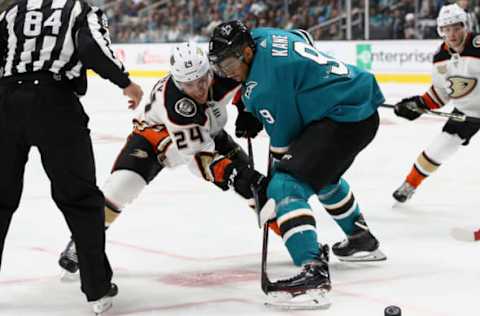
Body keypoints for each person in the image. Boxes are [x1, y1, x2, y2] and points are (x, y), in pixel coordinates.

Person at [208, 20, 386, 306]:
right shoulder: (263, 36)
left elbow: (284, 145)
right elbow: (303, 37)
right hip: (354, 99)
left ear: (247, 53)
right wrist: (249, 104)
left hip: (344, 119)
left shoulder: (266, 87)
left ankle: (313, 272)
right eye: (220, 65)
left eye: (230, 63)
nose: (226, 72)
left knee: (286, 184)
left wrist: (270, 193)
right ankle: (361, 240)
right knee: (320, 175)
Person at [57, 42, 266, 276]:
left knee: (256, 188)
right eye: (189, 84)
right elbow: (199, 159)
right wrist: (232, 174)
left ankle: (293, 232)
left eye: (201, 81)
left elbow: (245, 81)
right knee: (120, 188)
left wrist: (246, 109)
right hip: (153, 138)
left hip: (205, 132)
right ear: (178, 82)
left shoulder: (221, 73)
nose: (198, 90)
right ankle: (82, 240)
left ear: (210, 71)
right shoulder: (176, 104)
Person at [0, 0, 143, 314]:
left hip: (6, 101)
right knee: (80, 199)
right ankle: (97, 290)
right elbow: (92, 48)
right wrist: (126, 83)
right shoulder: (81, 10)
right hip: (55, 103)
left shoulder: (11, 12)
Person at [392, 3, 480, 203]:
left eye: (456, 28)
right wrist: (418, 105)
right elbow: (441, 94)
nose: (452, 34)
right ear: (441, 31)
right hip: (465, 112)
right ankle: (410, 184)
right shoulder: (440, 57)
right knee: (439, 148)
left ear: (465, 26)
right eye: (447, 29)